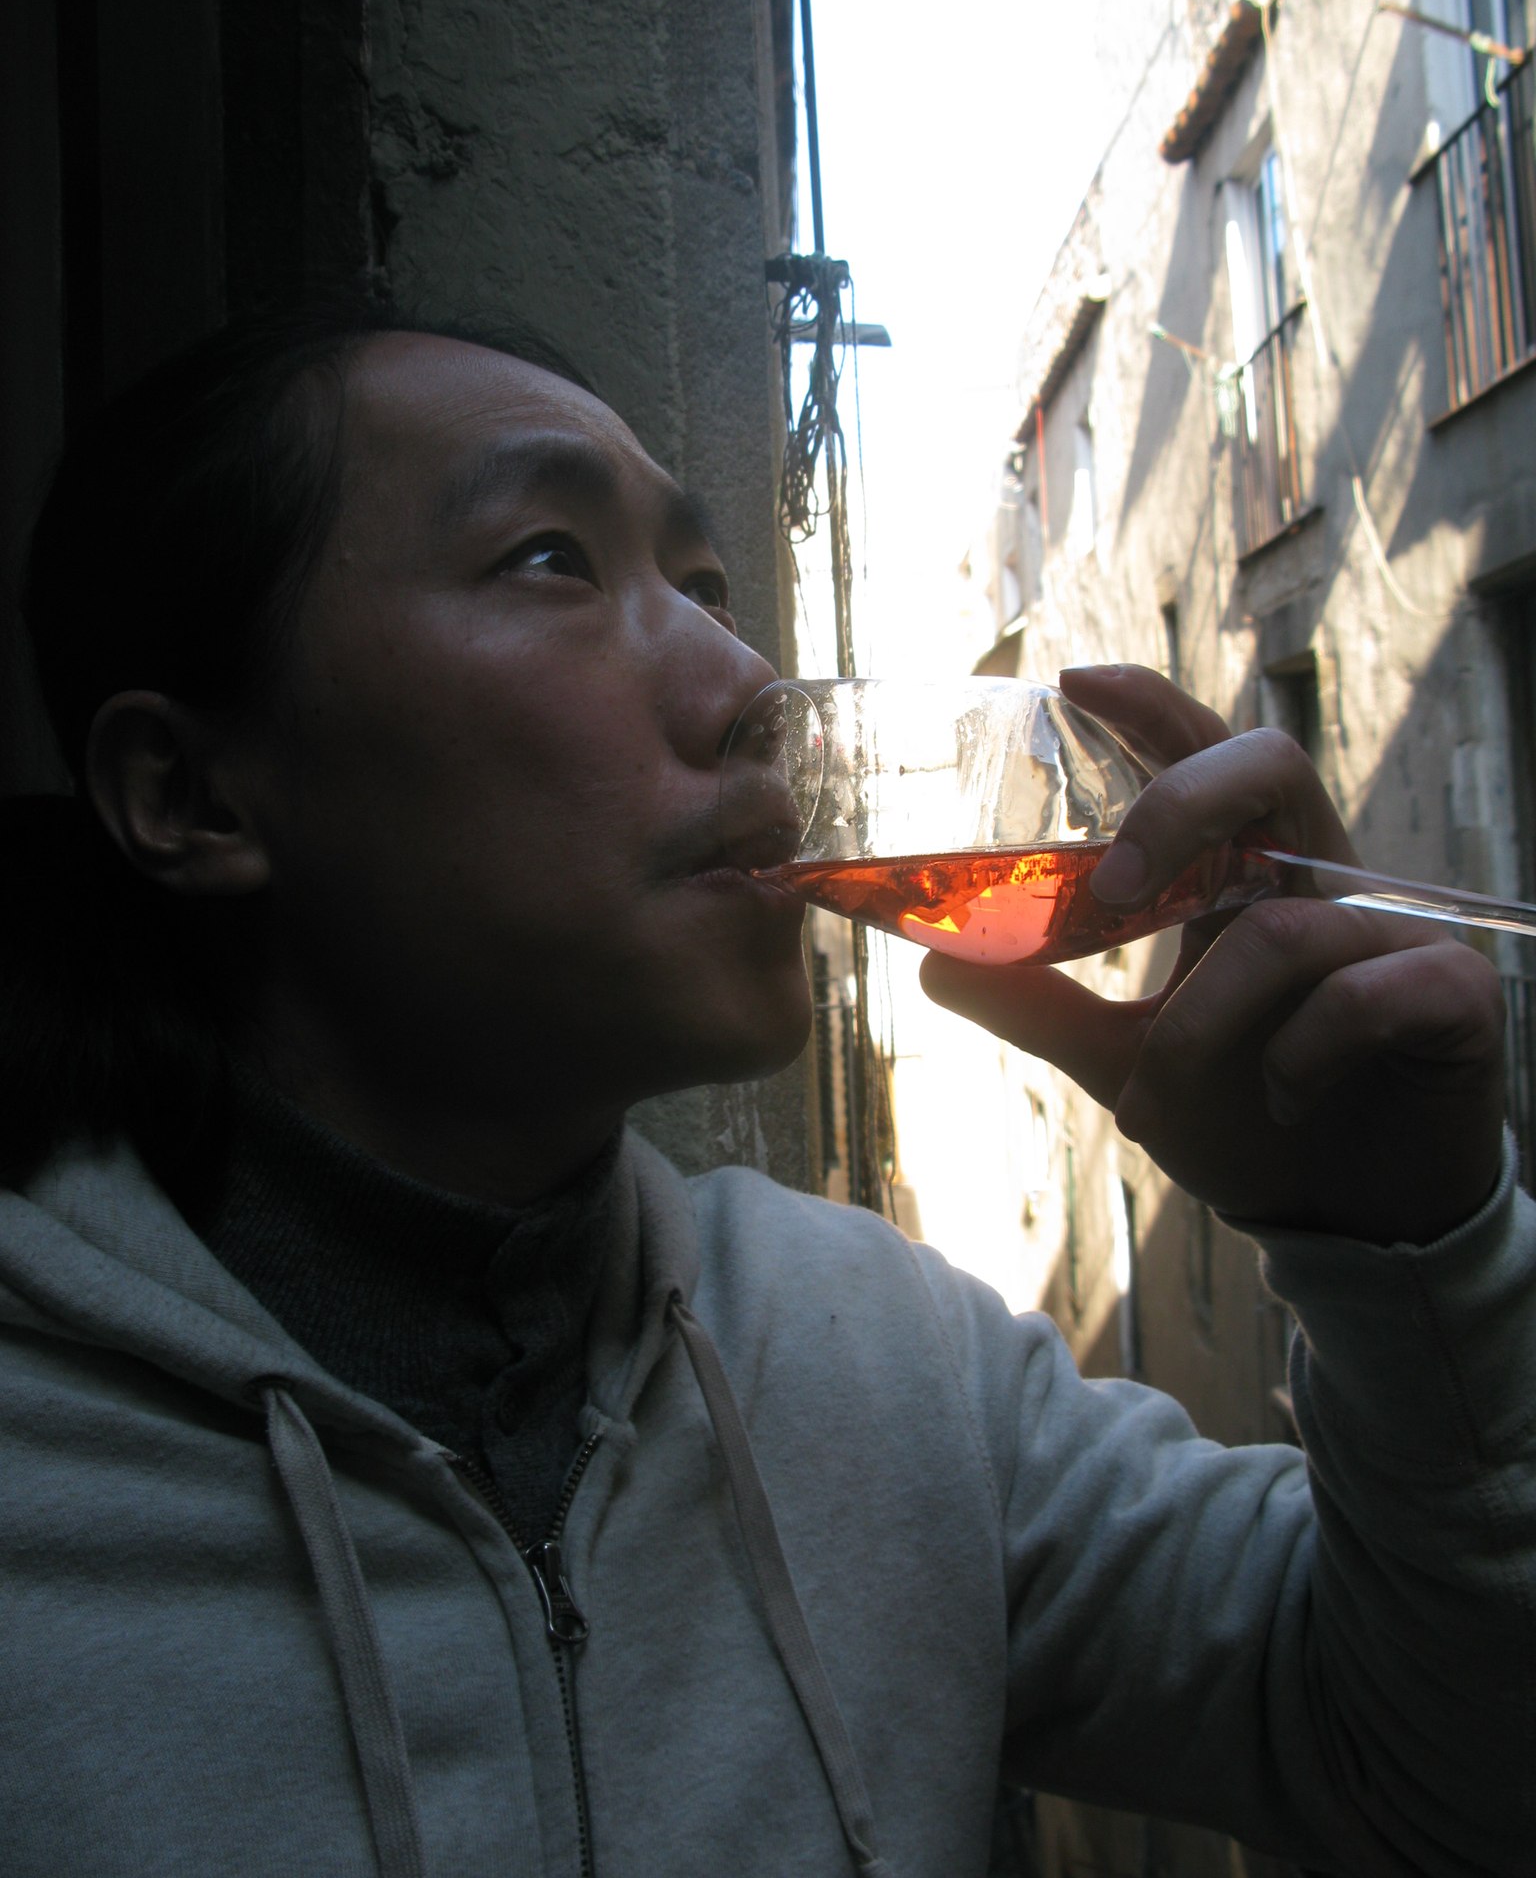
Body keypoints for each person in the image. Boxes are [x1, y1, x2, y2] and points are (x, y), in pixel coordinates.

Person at [0, 307, 1529, 1878]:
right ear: (190, 797)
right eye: (551, 560)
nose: (748, 681)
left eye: (709, 588)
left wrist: (1412, 1252)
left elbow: (1449, 1782)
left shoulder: (890, 1360)